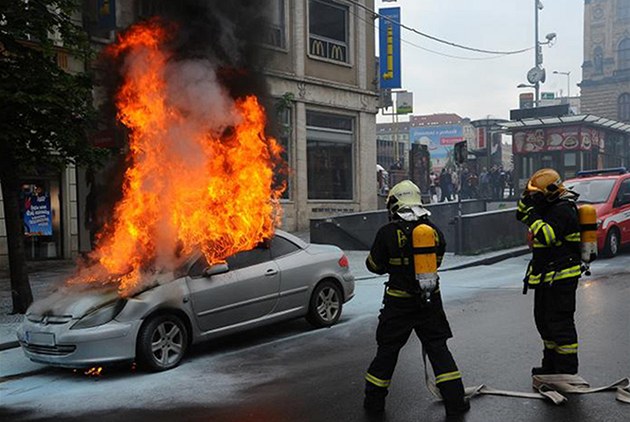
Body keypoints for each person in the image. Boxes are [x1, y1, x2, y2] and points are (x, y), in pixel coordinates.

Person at [363, 180, 470, 417]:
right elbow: (437, 261)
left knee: (387, 352)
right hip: (429, 301)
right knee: (438, 350)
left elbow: (374, 266)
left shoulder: (387, 233)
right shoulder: (433, 231)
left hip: (398, 303)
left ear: (394, 204)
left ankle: (373, 404)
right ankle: (456, 401)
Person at [516, 168, 582, 376]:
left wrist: (533, 214)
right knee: (544, 322)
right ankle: (551, 366)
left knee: (560, 325)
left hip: (561, 278)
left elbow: (547, 236)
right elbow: (520, 214)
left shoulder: (563, 209)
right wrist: (527, 203)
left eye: (537, 195)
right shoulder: (548, 208)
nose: (534, 199)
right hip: (547, 277)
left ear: (550, 192)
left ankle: (567, 371)